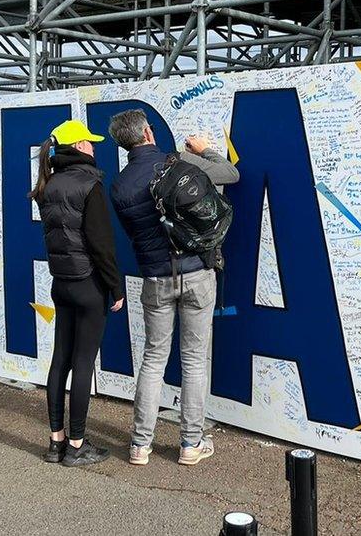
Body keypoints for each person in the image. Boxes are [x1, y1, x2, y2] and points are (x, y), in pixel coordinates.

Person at [107, 109, 239, 466]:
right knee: (194, 361)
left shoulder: (119, 185)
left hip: (154, 278)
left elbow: (136, 233)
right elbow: (231, 174)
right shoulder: (178, 162)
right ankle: (190, 444)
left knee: (153, 359)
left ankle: (139, 445)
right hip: (196, 272)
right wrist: (203, 151)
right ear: (149, 133)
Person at [31, 120, 124, 467]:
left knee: (61, 360)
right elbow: (102, 245)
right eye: (90, 141)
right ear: (80, 146)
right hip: (89, 285)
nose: (94, 146)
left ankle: (56, 443)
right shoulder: (90, 185)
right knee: (84, 363)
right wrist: (115, 287)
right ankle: (77, 444)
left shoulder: (48, 183)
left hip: (61, 283)